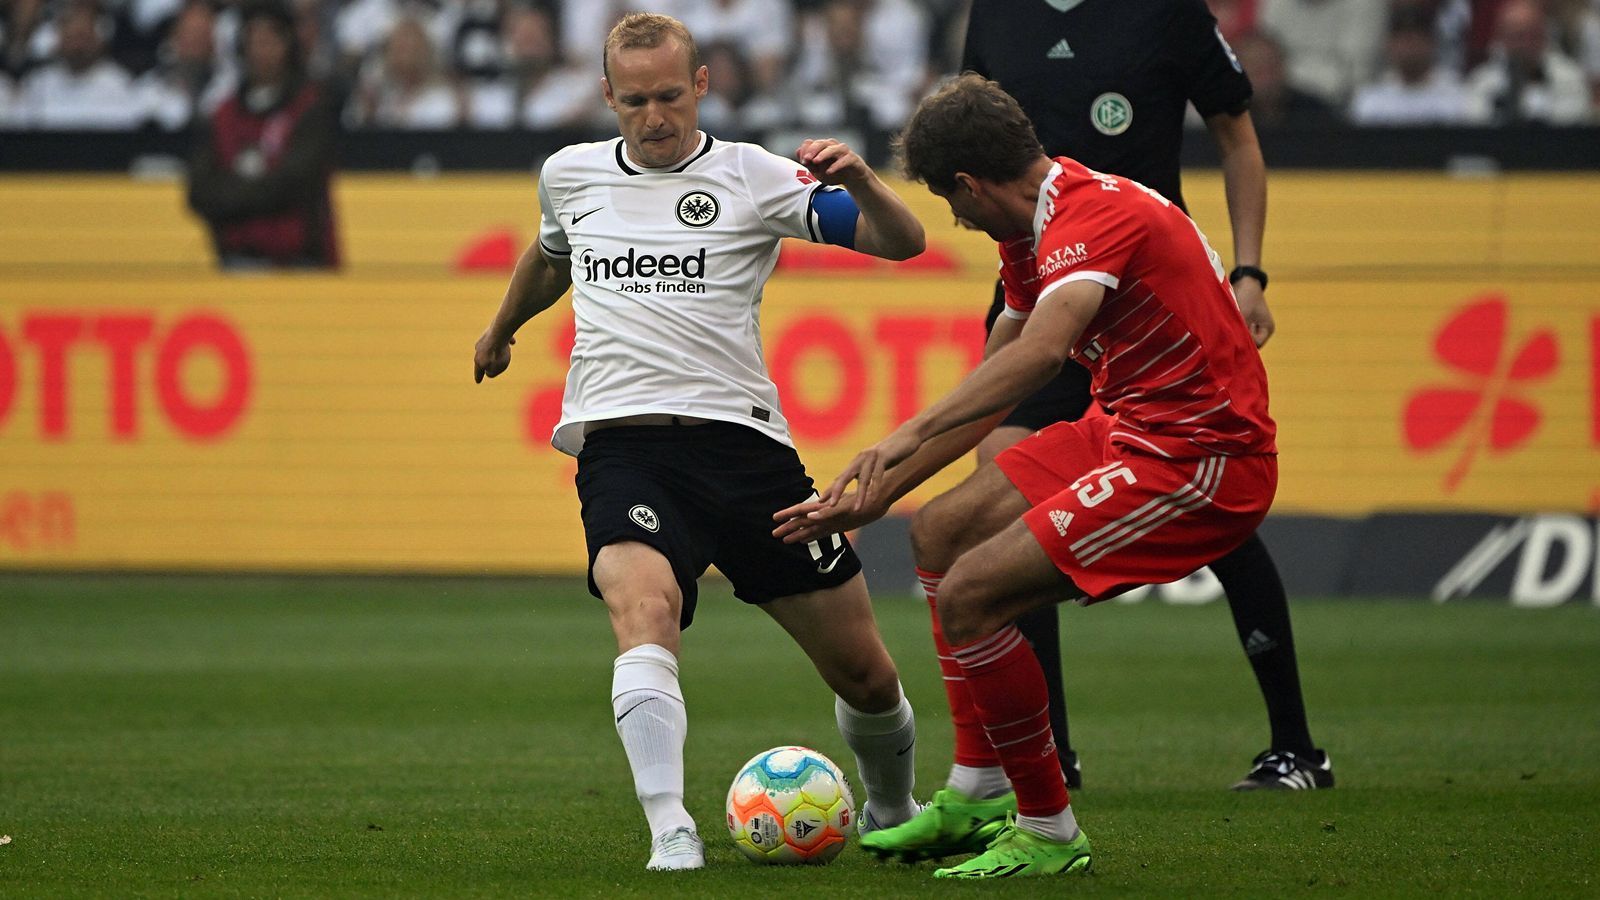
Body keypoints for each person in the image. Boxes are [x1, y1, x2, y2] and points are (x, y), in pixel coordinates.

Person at [775, 73, 1282, 878]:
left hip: (1202, 456)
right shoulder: (1032, 231)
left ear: (971, 185)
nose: (956, 218)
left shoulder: (1094, 216)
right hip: (1124, 428)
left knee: (974, 593)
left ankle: (1048, 830)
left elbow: (1044, 354)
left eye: (952, 203)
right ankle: (977, 792)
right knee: (939, 532)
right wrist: (881, 489)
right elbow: (992, 390)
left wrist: (900, 436)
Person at [471, 12, 926, 872]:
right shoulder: (569, 175)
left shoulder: (752, 175)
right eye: (635, 100)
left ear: (701, 85)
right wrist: (501, 329)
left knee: (866, 674)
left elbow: (903, 243)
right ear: (608, 96)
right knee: (644, 613)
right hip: (624, 450)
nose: (655, 116)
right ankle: (669, 826)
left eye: (671, 96)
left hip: (748, 457)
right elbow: (549, 256)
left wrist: (863, 179)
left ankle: (894, 807)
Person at [949, 0, 1331, 795]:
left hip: (1150, 298)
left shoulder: (1165, 11)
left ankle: (1295, 746)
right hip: (1039, 290)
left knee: (1210, 505)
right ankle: (1048, 748)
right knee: (999, 507)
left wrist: (1249, 272)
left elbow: (1237, 134)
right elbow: (973, 139)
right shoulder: (995, 15)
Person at [186, 0, 339, 269]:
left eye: (270, 40)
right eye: (254, 41)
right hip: (237, 260)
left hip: (301, 263)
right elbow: (199, 190)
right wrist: (259, 188)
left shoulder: (310, 108)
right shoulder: (223, 114)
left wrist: (233, 192)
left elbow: (296, 180)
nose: (261, 51)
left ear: (288, 45)